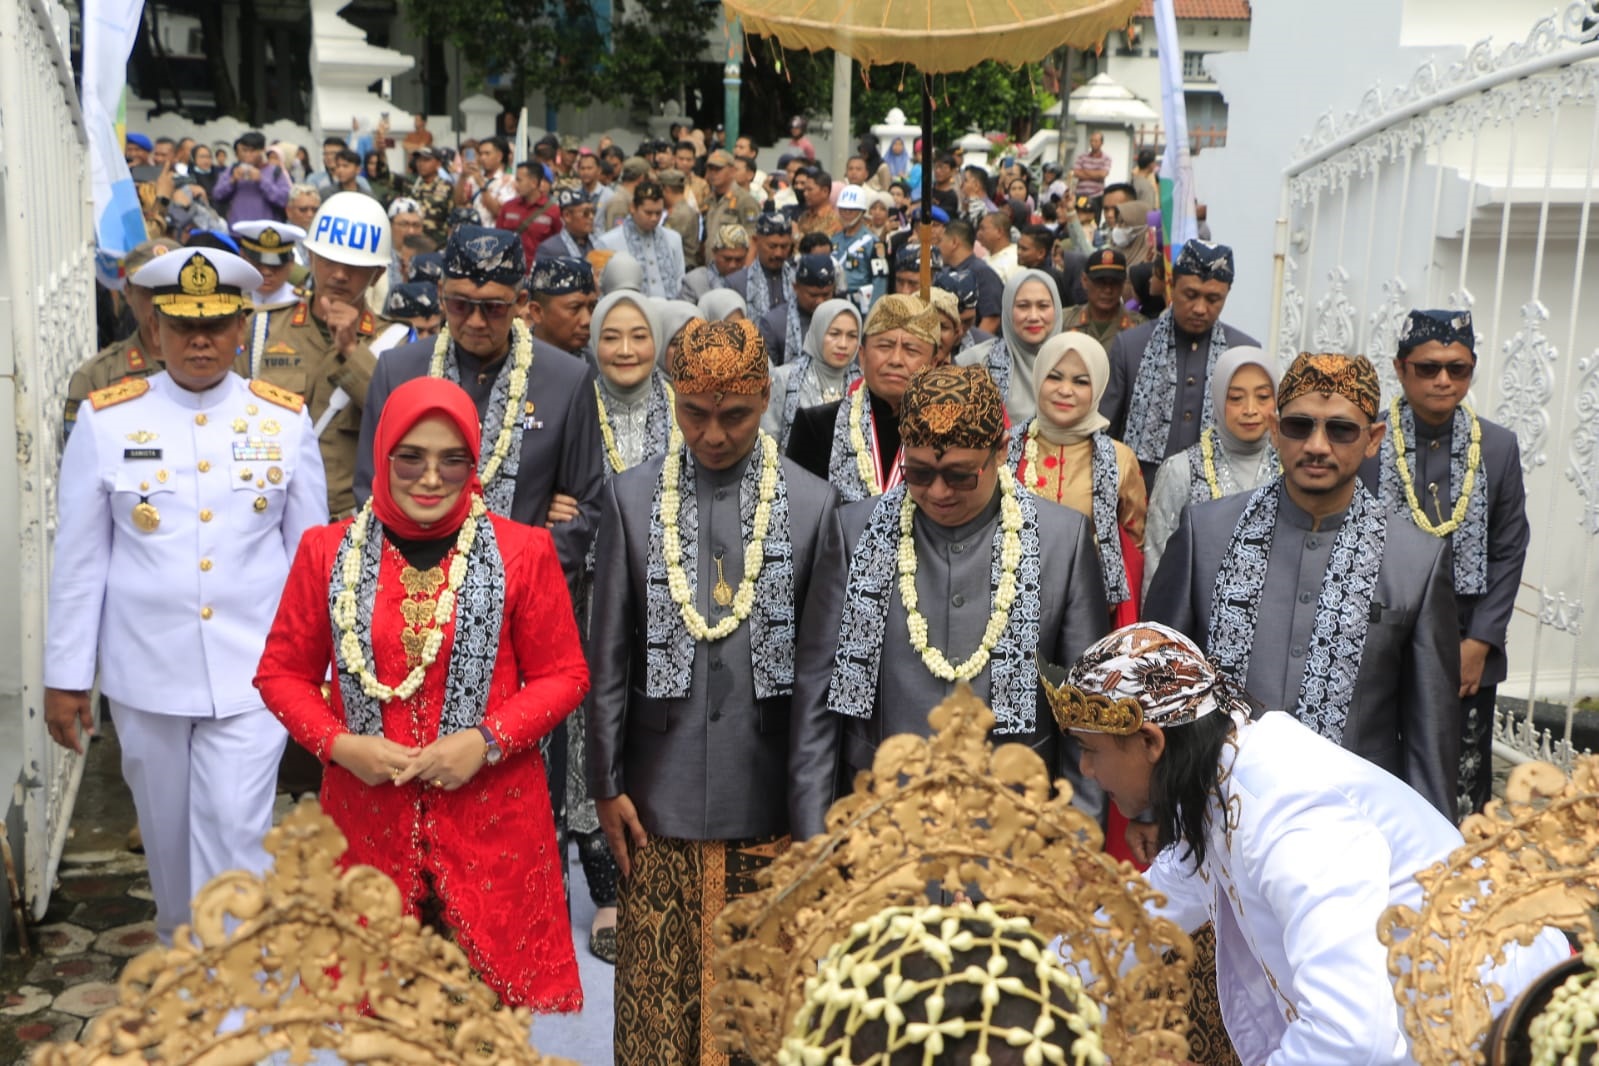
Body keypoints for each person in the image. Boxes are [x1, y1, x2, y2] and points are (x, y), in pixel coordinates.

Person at [1051, 621, 1569, 1066]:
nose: (1088, 771)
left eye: (1090, 750)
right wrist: (1027, 980)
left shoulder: (1289, 812)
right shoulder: (1221, 773)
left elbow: (1351, 1038)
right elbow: (1144, 913)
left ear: (1150, 741)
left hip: (1498, 1034)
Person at [254, 376, 587, 1010]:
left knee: (483, 1030)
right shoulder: (328, 551)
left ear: (473, 461)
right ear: (382, 456)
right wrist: (341, 745)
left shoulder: (524, 550)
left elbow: (565, 675)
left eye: (451, 459)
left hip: (495, 826)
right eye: (411, 457)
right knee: (380, 1029)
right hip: (366, 823)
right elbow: (280, 674)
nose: (430, 478)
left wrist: (485, 741)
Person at [44, 247, 327, 944]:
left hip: (254, 676)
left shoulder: (284, 421)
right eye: (182, 326)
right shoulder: (107, 422)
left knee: (235, 830)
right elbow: (80, 560)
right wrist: (65, 678)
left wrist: (320, 673)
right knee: (169, 848)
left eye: (216, 325)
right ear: (155, 326)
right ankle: (187, 965)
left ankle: (234, 1002)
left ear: (240, 328)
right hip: (147, 675)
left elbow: (310, 563)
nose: (200, 341)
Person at [587, 317, 841, 1065]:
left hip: (767, 797)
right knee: (659, 1006)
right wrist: (604, 785)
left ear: (765, 398)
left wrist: (812, 813)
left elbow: (820, 678)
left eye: (733, 414)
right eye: (693, 413)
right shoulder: (633, 498)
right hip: (652, 793)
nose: (712, 434)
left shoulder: (813, 503)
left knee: (761, 1006)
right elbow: (607, 657)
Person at [788, 364, 1109, 839]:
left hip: (1014, 839)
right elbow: (816, 705)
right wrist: (816, 846)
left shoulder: (1063, 541)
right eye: (919, 472)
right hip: (880, 836)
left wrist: (1076, 851)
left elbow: (1085, 716)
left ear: (1001, 451)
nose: (937, 492)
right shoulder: (854, 533)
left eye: (959, 475)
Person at [1144, 352, 1461, 816]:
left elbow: (1429, 734)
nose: (1317, 445)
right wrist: (1155, 811)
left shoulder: (1416, 560)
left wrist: (1434, 862)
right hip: (1216, 815)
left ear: (1372, 439)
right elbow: (1161, 687)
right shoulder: (1205, 534)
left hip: (1351, 825)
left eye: (1340, 430)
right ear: (1276, 429)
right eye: (1299, 426)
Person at [356, 226, 605, 589]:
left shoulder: (566, 380)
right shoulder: (398, 372)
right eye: (460, 305)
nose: (474, 321)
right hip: (414, 590)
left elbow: (585, 509)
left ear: (520, 303)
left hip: (524, 592)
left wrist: (519, 577)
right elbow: (371, 489)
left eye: (492, 308)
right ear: (441, 295)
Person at [1366, 310, 1528, 819]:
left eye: (1457, 369)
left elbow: (1509, 546)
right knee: (1379, 759)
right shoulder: (1368, 443)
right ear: (1400, 368)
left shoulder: (1497, 447)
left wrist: (1481, 641)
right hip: (1378, 631)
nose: (1443, 380)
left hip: (1463, 639)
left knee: (1460, 774)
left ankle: (1454, 877)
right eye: (1429, 367)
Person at [257, 192, 410, 518]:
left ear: (378, 274)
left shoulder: (396, 342)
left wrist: (353, 351)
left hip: (347, 521)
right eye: (329, 261)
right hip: (268, 512)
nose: (339, 275)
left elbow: (402, 424)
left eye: (354, 266)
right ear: (310, 257)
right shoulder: (261, 328)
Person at [1007, 332, 1145, 626]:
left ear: (1097, 389)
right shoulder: (1004, 450)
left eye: (1081, 381)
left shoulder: (1120, 459)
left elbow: (1133, 546)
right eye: (1054, 377)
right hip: (1008, 607)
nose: (1065, 390)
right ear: (1037, 378)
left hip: (1090, 613)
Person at [1100, 239, 1259, 486]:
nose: (1199, 308)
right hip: (1140, 497)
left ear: (1226, 295)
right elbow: (1105, 435)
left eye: (1213, 299)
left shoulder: (1243, 352)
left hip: (1216, 504)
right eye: (1191, 294)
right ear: (1172, 287)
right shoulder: (1131, 346)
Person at [1144, 346, 1280, 587]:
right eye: (1236, 398)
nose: (1250, 410)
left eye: (1263, 397)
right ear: (1217, 398)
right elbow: (1157, 563)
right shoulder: (1182, 470)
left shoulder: (1291, 468)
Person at [786, 295, 940, 501]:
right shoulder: (816, 425)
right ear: (863, 355)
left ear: (934, 364)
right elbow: (798, 510)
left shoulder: (947, 433)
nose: (895, 360)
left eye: (911, 350)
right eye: (885, 346)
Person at [64, 239, 183, 440]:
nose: (161, 302)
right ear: (128, 293)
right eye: (151, 290)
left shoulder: (220, 366)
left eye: (173, 291)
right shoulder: (97, 375)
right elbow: (81, 457)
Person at [955, 268, 1063, 423]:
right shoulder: (976, 363)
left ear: (1057, 309)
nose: (1033, 316)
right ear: (1007, 310)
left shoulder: (1076, 362)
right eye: (1023, 306)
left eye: (1043, 306)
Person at [764, 299, 861, 448]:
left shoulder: (863, 384)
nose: (843, 344)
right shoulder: (784, 378)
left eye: (852, 336)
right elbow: (767, 441)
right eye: (834, 334)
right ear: (818, 332)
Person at [594, 180, 685, 301]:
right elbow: (600, 288)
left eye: (658, 213)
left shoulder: (673, 239)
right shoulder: (607, 242)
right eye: (648, 213)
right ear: (633, 208)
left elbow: (680, 279)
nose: (654, 218)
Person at [756, 253, 835, 366]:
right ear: (796, 287)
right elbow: (766, 372)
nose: (820, 301)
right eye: (813, 295)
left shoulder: (844, 319)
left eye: (826, 295)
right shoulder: (774, 323)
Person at [1062, 248, 1144, 347]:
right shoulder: (1064, 321)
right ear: (1084, 281)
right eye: (1100, 282)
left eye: (1115, 282)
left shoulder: (1139, 327)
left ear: (1123, 284)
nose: (1108, 290)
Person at [211, 130, 292, 225]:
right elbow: (216, 195)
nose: (248, 155)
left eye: (252, 151)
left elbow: (284, 200)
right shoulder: (233, 169)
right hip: (237, 232)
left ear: (263, 150)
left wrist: (262, 181)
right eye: (244, 150)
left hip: (266, 233)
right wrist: (232, 181)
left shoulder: (275, 172)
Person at [937, 219, 1003, 334]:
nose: (938, 247)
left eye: (940, 241)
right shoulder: (945, 272)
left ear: (954, 242)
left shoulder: (982, 273)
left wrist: (973, 349)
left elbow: (992, 319)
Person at [526, 255, 598, 357]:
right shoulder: (510, 362)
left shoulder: (600, 365)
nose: (587, 321)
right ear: (537, 312)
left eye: (592, 307)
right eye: (575, 308)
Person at [727, 212, 796, 317]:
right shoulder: (737, 283)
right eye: (772, 246)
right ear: (756, 241)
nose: (778, 253)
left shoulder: (798, 279)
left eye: (784, 246)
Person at [496, 161, 562, 265]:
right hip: (509, 272)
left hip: (538, 272)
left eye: (519, 180)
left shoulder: (553, 211)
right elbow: (498, 237)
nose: (515, 184)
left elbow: (559, 243)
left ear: (534, 183)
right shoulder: (508, 207)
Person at [701, 149, 761, 249]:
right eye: (710, 169)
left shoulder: (745, 200)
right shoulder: (709, 200)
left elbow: (753, 239)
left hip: (734, 262)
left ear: (732, 171)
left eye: (718, 169)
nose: (713, 173)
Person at [454, 135, 516, 227]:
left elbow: (499, 212)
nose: (482, 158)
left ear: (499, 156)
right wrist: (463, 176)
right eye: (480, 153)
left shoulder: (510, 181)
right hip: (472, 234)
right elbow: (458, 203)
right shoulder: (473, 178)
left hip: (494, 236)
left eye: (487, 154)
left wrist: (482, 186)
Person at [679, 224, 749, 303]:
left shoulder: (754, 281)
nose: (732, 265)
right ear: (714, 252)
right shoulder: (694, 281)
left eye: (739, 260)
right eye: (727, 259)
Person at [406, 146, 453, 247]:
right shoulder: (412, 185)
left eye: (426, 160)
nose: (421, 164)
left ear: (438, 164)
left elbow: (453, 219)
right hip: (415, 244)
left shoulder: (447, 187)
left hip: (438, 244)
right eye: (419, 160)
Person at [657, 169, 703, 269]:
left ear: (666, 189)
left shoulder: (678, 215)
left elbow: (664, 245)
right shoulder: (686, 209)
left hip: (682, 266)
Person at [537, 188, 596, 261]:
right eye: (586, 213)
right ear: (567, 216)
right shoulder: (549, 249)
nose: (591, 217)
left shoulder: (599, 243)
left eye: (593, 212)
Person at [976, 208, 1021, 282]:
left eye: (982, 229)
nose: (978, 233)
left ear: (999, 232)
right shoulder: (985, 257)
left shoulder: (1014, 260)